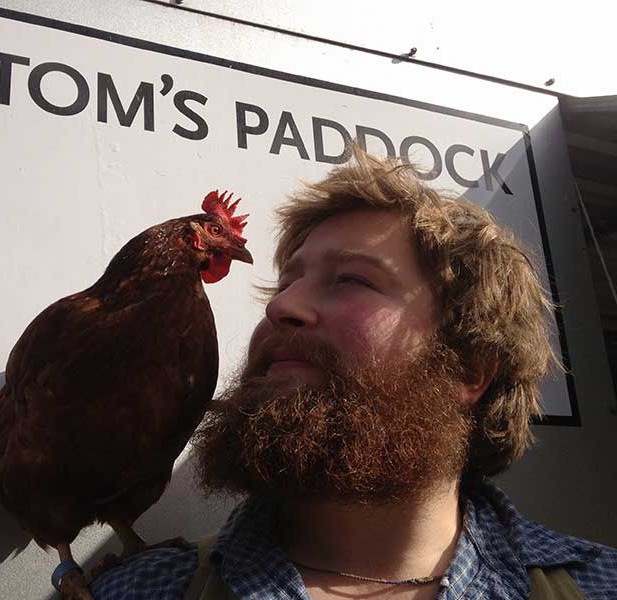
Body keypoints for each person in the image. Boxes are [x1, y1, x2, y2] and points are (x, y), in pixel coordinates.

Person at [87, 147, 617, 600]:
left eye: (351, 280)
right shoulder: (141, 590)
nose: (282, 307)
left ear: (468, 371)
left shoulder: (599, 585)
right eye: (283, 285)